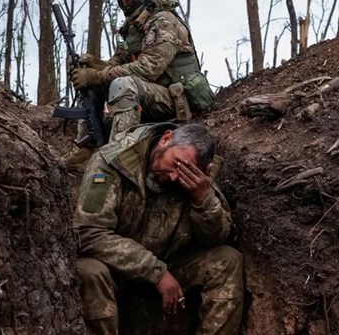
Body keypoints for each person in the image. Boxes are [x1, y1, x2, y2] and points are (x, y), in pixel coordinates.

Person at [74, 123, 244, 335]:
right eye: (175, 164)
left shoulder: (198, 180)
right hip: (117, 269)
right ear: (165, 139)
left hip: (171, 262)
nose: (174, 177)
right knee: (89, 271)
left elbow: (216, 240)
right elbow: (89, 232)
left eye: (183, 173)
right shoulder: (113, 162)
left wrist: (203, 200)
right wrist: (156, 273)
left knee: (228, 260)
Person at [63, 0, 216, 170]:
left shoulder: (163, 21)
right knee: (96, 83)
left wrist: (97, 75)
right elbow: (117, 63)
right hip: (149, 95)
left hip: (175, 100)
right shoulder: (133, 27)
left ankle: (118, 158)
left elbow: (148, 69)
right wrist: (92, 65)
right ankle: (86, 149)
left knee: (123, 84)